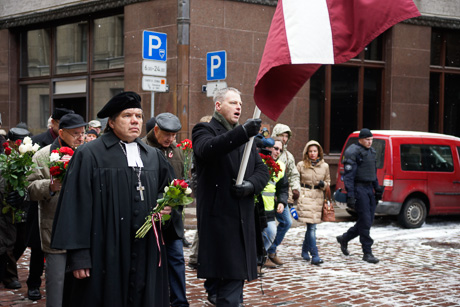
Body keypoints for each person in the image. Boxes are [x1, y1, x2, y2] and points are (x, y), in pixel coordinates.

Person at [50, 91, 172, 306]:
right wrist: (79, 256)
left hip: (146, 252)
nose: (135, 120)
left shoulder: (153, 156)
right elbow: (75, 206)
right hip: (104, 252)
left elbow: (168, 192)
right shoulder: (89, 154)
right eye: (127, 115)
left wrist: (167, 208)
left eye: (139, 116)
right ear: (112, 122)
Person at [192, 87, 269, 306]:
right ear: (218, 106)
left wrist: (250, 186)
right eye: (233, 103)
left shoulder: (247, 138)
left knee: (233, 283)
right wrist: (243, 132)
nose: (239, 107)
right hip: (219, 221)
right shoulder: (204, 130)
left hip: (242, 220)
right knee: (229, 283)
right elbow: (208, 149)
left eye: (241, 104)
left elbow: (262, 171)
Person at [28, 113, 87, 307]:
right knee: (56, 284)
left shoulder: (88, 153)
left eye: (83, 133)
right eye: (75, 133)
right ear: (61, 133)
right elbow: (30, 189)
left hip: (84, 229)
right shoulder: (43, 155)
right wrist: (50, 186)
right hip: (55, 226)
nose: (80, 137)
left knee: (83, 285)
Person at [142, 112, 189, 307]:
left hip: (173, 218)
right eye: (166, 134)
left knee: (177, 260)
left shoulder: (176, 151)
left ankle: (179, 302)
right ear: (155, 130)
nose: (170, 139)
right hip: (149, 217)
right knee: (151, 263)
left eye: (174, 135)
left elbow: (182, 177)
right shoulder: (141, 148)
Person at [336, 128, 383, 264]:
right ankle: (367, 252)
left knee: (367, 221)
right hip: (359, 189)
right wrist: (350, 195)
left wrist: (377, 188)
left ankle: (344, 238)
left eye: (371, 140)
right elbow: (349, 177)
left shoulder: (371, 152)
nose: (370, 142)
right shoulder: (353, 152)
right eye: (367, 140)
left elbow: (372, 172)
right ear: (360, 139)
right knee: (366, 221)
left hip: (369, 189)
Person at [0, 127, 31, 290]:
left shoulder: (30, 158)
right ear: (10, 143)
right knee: (8, 244)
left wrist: (23, 194)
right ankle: (10, 275)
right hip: (6, 208)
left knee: (22, 242)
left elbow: (33, 181)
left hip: (25, 208)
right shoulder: (4, 157)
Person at [268, 124, 301, 266]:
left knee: (286, 222)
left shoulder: (288, 156)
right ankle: (262, 255)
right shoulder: (268, 149)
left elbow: (293, 174)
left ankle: (271, 250)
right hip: (267, 196)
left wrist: (295, 189)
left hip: (281, 196)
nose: (284, 138)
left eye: (287, 136)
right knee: (266, 227)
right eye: (282, 135)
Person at [296, 140, 331, 265]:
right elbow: (294, 182)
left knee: (311, 227)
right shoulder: (300, 165)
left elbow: (328, 182)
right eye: (310, 151)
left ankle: (305, 251)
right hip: (305, 196)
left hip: (318, 197)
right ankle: (315, 255)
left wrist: (324, 184)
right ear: (307, 152)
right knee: (312, 227)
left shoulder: (325, 166)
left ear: (319, 152)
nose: (312, 153)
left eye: (315, 151)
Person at [187, 114, 212, 271]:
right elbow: (195, 173)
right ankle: (195, 257)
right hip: (205, 191)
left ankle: (198, 256)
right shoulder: (200, 145)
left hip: (206, 189)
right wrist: (199, 192)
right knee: (203, 224)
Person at [260, 137, 289, 269]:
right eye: (275, 148)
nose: (277, 152)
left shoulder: (281, 166)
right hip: (256, 205)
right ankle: (258, 260)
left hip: (270, 206)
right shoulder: (258, 160)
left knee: (271, 232)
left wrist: (282, 201)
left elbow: (283, 187)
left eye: (280, 150)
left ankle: (264, 255)